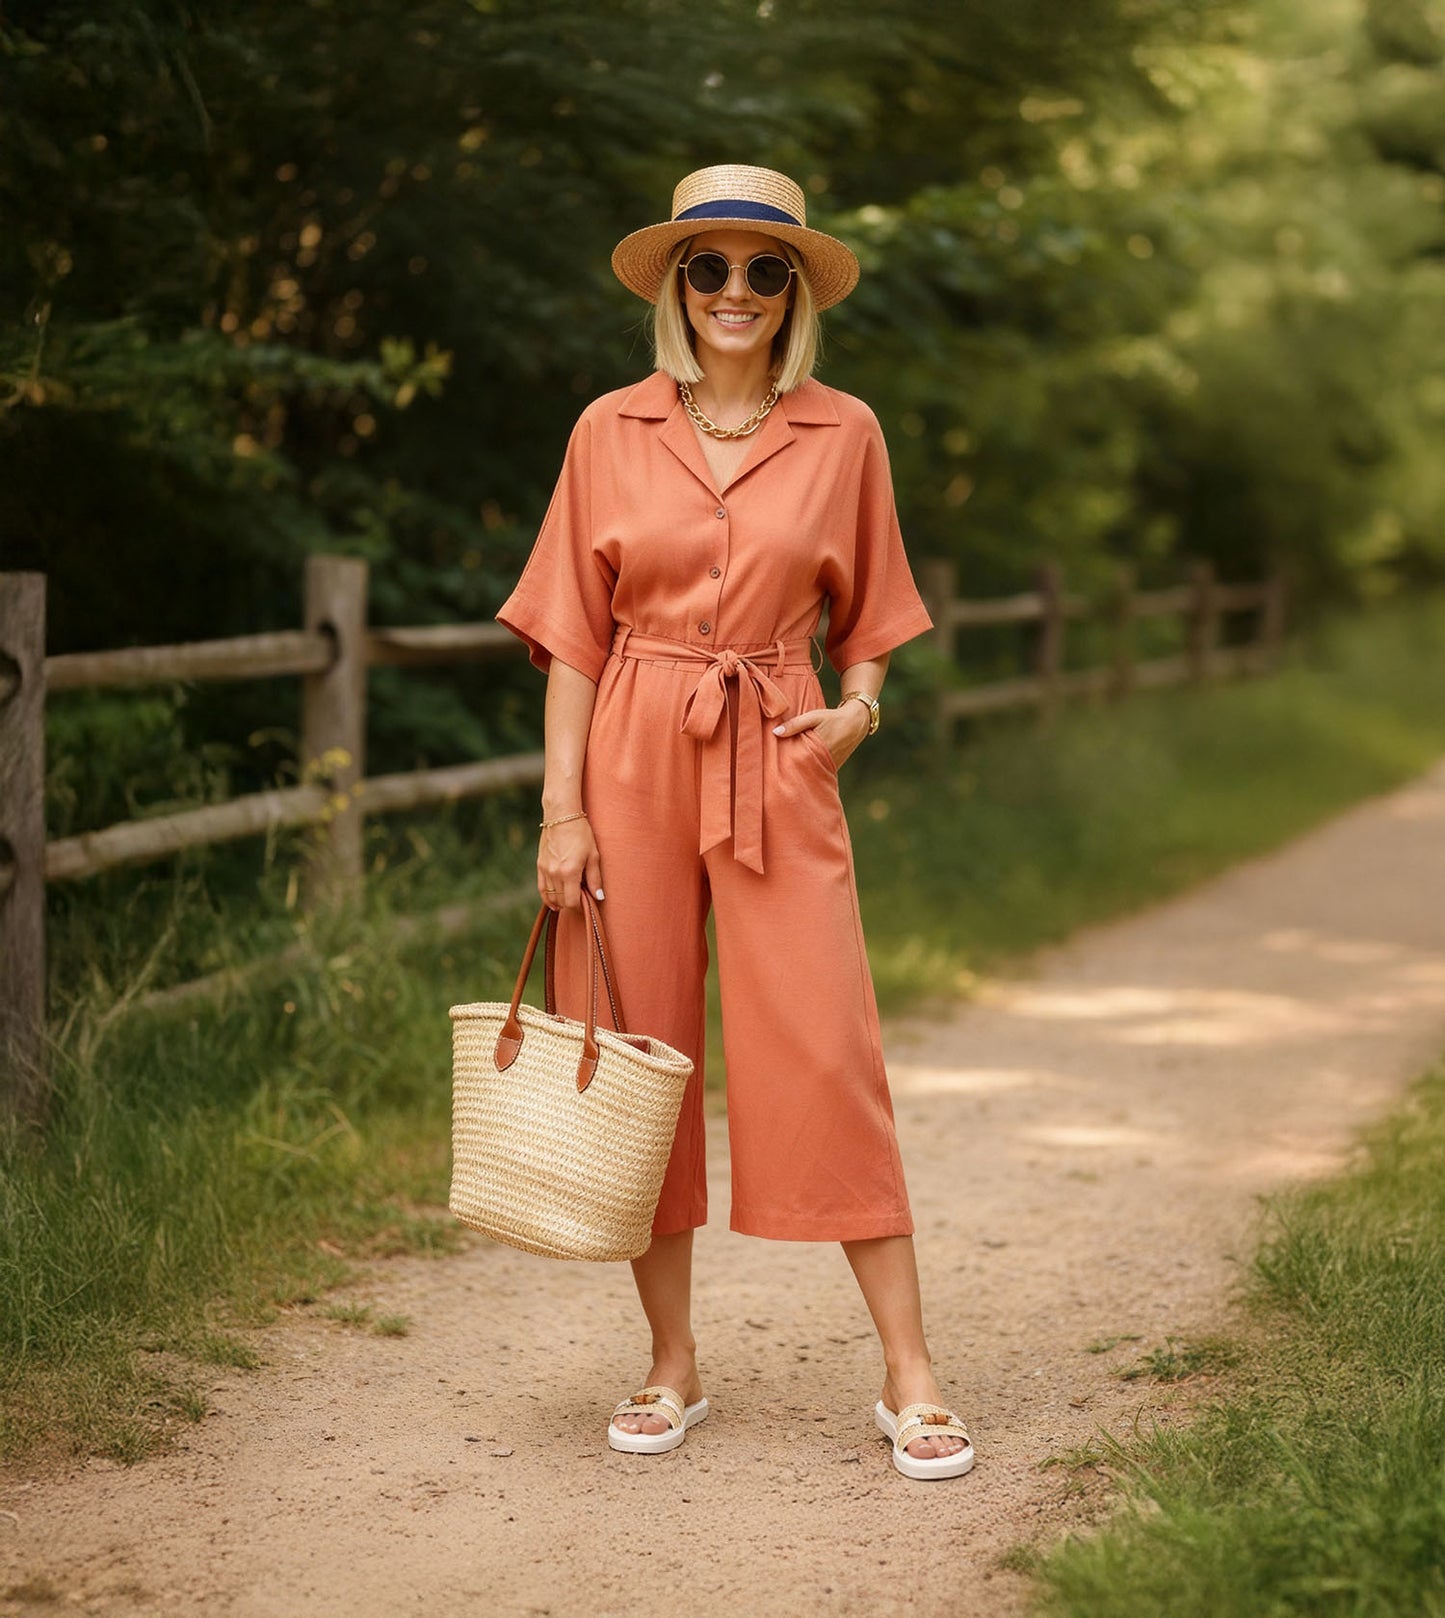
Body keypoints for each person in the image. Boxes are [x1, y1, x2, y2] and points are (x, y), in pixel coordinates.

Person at [495, 164, 973, 1481]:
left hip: (777, 735)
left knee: (826, 1042)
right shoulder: (607, 429)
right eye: (709, 266)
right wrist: (561, 812)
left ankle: (910, 1374)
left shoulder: (845, 432)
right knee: (639, 1045)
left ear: (795, 291)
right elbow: (572, 637)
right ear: (676, 284)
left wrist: (858, 712)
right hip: (630, 747)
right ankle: (671, 1363)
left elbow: (875, 616)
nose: (736, 292)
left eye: (766, 270)